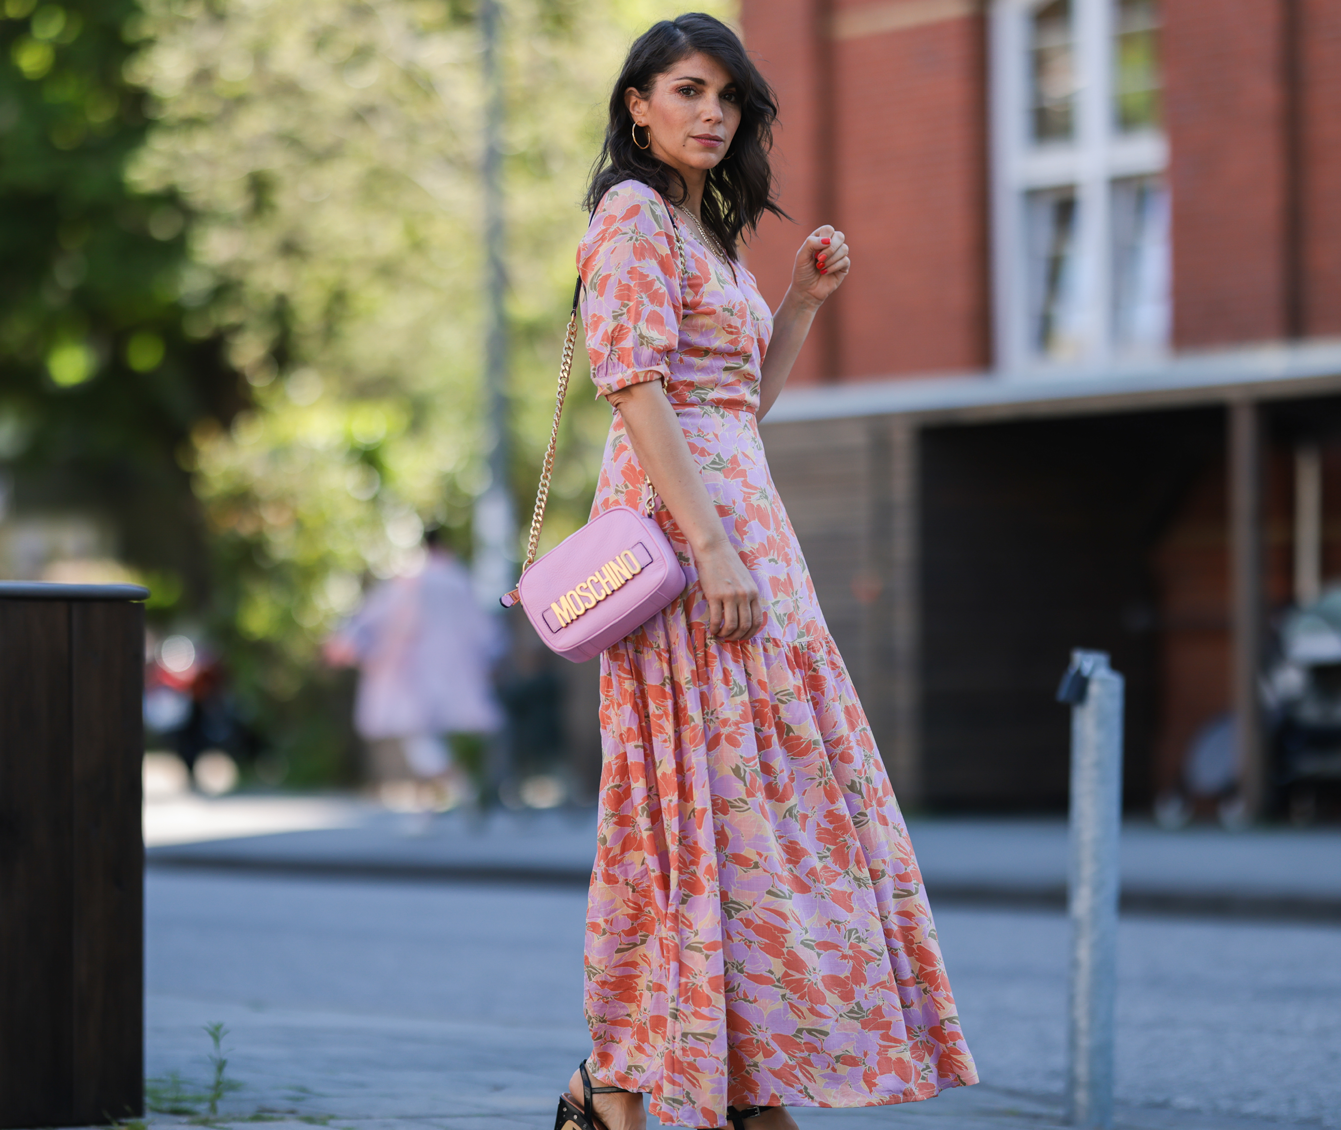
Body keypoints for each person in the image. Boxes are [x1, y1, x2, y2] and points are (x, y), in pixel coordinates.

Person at [554, 15, 977, 1130]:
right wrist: (712, 547)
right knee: (697, 806)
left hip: (748, 542)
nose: (710, 113)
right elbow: (637, 389)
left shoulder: (708, 233)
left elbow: (737, 405)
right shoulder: (632, 215)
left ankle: (726, 1070)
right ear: (635, 104)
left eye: (728, 99)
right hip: (691, 552)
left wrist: (794, 306)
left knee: (762, 808)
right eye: (687, 90)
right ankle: (641, 1080)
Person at [324, 528, 502, 810]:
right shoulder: (458, 581)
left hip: (412, 675)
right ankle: (430, 808)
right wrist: (488, 661)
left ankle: (460, 789)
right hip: (452, 675)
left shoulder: (413, 581)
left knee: (420, 740)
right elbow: (484, 632)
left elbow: (374, 618)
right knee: (429, 739)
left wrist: (348, 645)